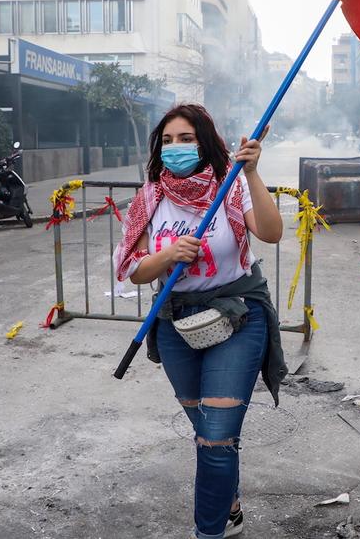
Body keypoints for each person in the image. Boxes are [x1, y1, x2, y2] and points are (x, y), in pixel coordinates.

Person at [113, 104, 285, 539]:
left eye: (186, 138)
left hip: (238, 314)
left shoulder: (233, 184)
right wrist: (168, 256)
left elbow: (272, 232)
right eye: (167, 140)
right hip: (176, 323)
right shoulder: (150, 196)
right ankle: (228, 500)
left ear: (205, 141)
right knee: (210, 430)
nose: (176, 148)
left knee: (215, 434)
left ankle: (209, 531)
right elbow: (133, 269)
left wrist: (251, 174)